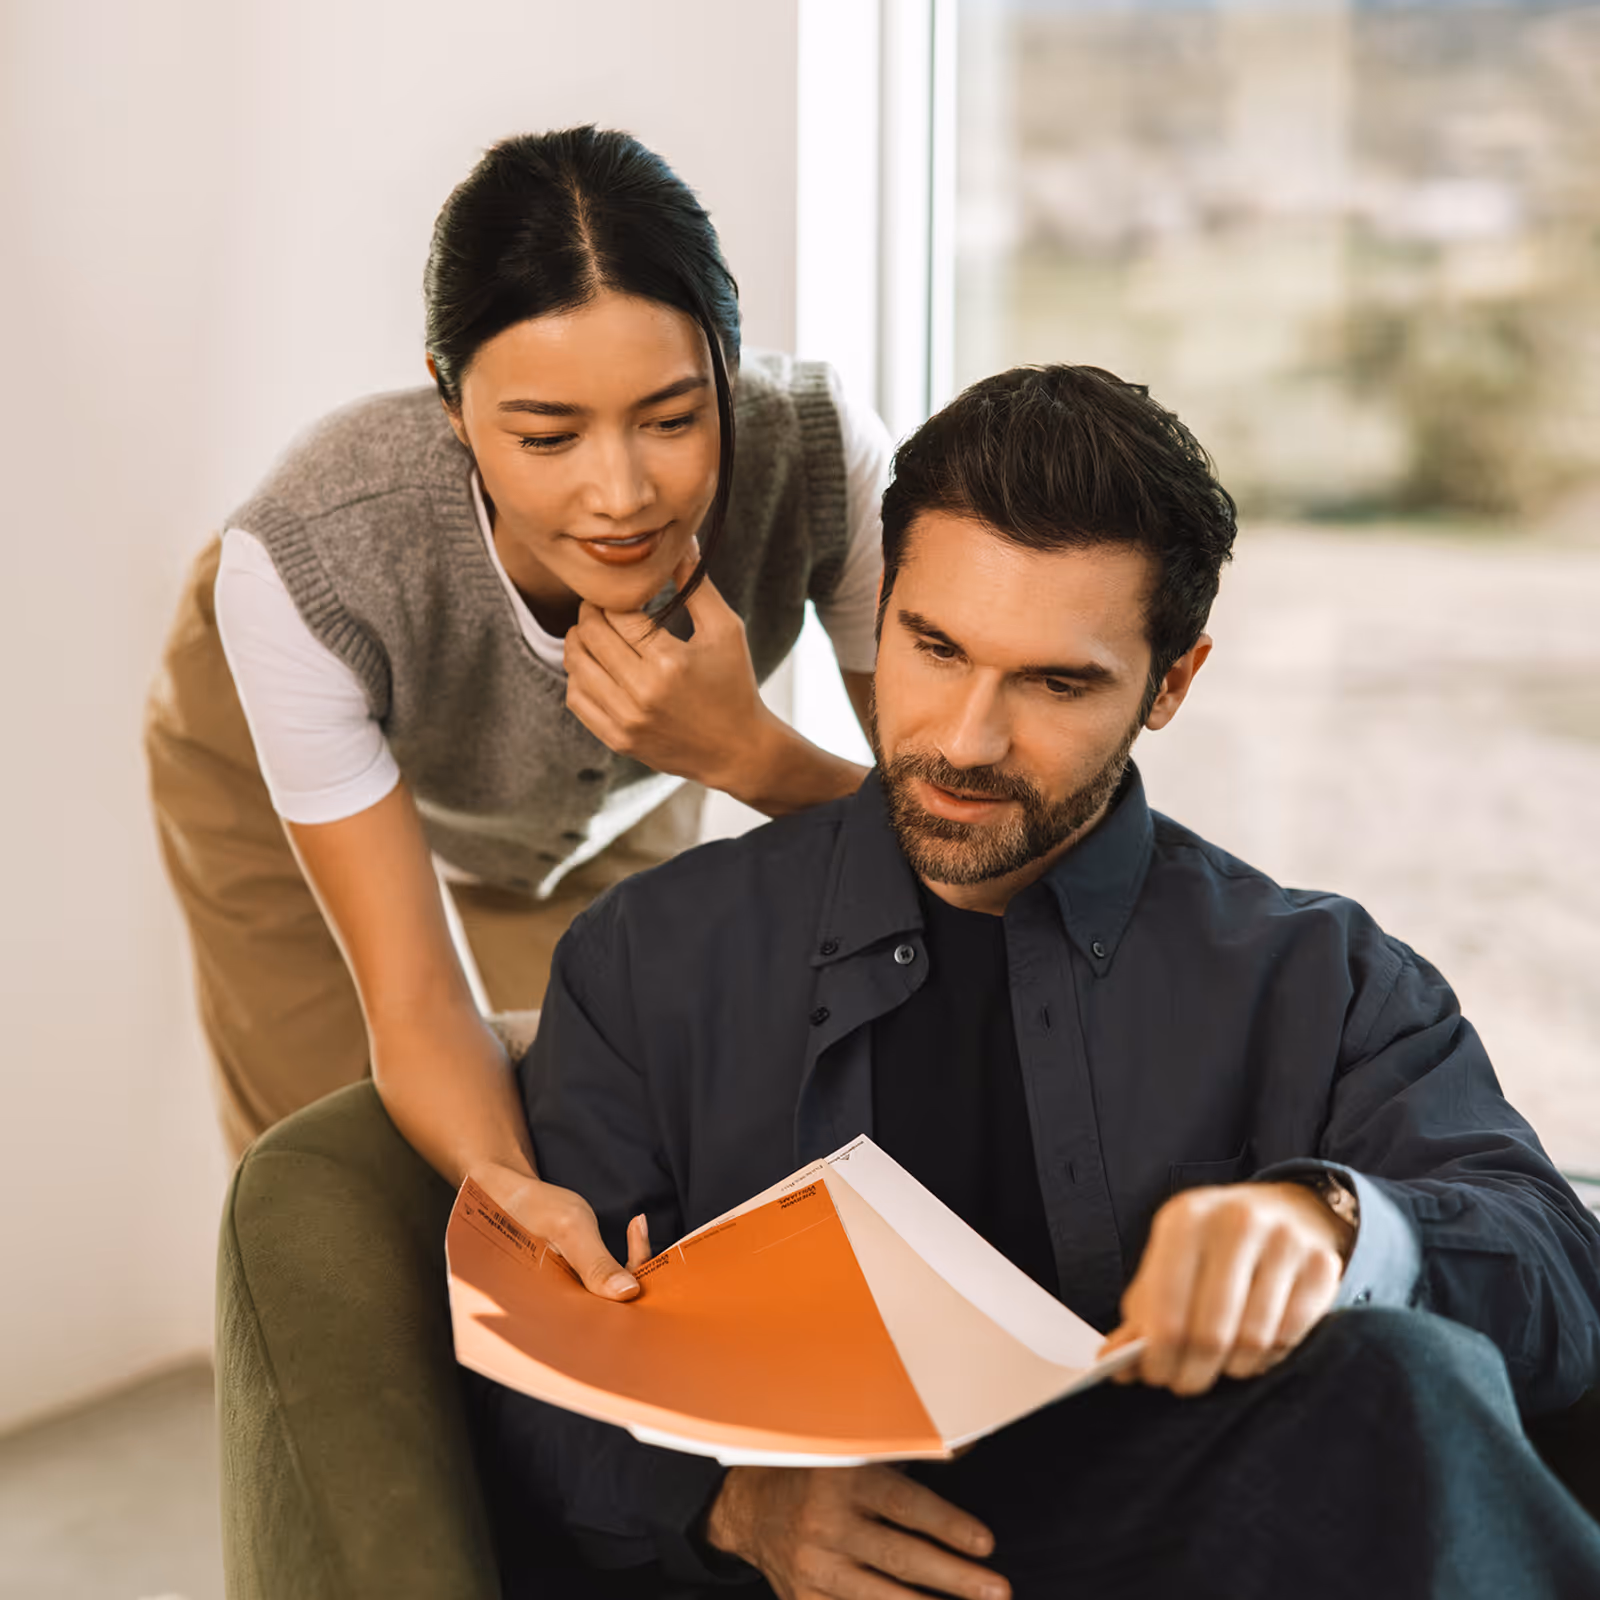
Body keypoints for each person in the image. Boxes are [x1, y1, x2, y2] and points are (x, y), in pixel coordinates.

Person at [475, 365, 1600, 1598]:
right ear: (883, 607)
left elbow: (1559, 1276)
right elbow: (525, 1362)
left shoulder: (1314, 975)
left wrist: (1336, 1225)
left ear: (1170, 682)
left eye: (1056, 683)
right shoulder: (649, 958)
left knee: (1401, 1377)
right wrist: (731, 1505)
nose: (965, 737)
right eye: (934, 646)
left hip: (1212, 1553)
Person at [143, 129, 888, 1256]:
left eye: (676, 420)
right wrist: (504, 1188)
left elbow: (957, 854)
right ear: (450, 402)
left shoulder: (830, 462)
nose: (621, 495)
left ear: (729, 374)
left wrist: (748, 753)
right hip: (270, 770)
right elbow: (418, 1003)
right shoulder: (309, 558)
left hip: (637, 774)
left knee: (604, 1145)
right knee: (339, 1183)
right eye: (546, 436)